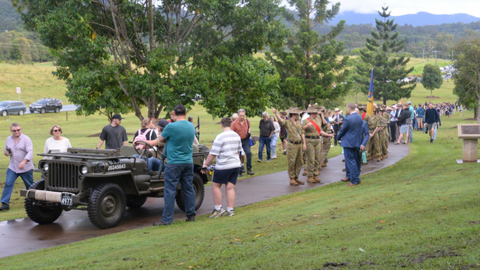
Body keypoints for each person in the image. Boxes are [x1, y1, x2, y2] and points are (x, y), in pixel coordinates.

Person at [136, 105, 196, 225]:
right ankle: (191, 215)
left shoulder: (171, 127)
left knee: (169, 191)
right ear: (185, 112)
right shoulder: (191, 126)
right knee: (188, 189)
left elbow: (158, 141)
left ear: (174, 113)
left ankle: (167, 220)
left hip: (174, 163)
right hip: (188, 162)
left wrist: (143, 142)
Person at [202, 117, 244, 218]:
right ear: (231, 124)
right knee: (230, 187)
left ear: (221, 125)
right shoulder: (236, 136)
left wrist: (205, 164)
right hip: (235, 164)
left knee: (215, 185)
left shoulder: (220, 137)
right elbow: (239, 151)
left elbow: (213, 153)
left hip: (224, 165)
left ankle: (218, 208)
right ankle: (230, 210)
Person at [1, 123, 34, 211]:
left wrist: (23, 161)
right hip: (13, 167)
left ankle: (33, 202)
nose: (16, 132)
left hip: (26, 167)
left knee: (30, 186)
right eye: (14, 130)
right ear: (11, 131)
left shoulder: (26, 139)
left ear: (21, 129)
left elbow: (30, 152)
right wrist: (6, 153)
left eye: (18, 130)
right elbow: (6, 151)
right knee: (8, 183)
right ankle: (5, 204)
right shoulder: (9, 139)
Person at [273, 107, 306, 186]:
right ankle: (292, 178)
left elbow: (302, 133)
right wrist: (276, 113)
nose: (298, 115)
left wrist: (304, 143)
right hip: (291, 145)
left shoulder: (299, 123)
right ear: (293, 115)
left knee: (299, 162)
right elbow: (281, 121)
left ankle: (296, 177)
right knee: (292, 162)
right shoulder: (287, 122)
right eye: (297, 114)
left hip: (299, 144)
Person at [337, 103, 368, 186]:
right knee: (355, 161)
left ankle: (353, 180)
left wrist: (338, 137)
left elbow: (343, 130)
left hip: (348, 142)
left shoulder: (348, 119)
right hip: (357, 142)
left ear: (349, 109)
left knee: (351, 161)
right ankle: (356, 178)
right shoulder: (359, 118)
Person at [231, 109, 254, 175]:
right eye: (241, 115)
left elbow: (249, 128)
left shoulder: (247, 121)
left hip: (245, 140)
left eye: (243, 115)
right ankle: (238, 171)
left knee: (249, 153)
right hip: (238, 141)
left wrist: (249, 132)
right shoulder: (234, 123)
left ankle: (249, 169)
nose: (242, 117)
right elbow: (231, 132)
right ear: (238, 115)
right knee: (239, 155)